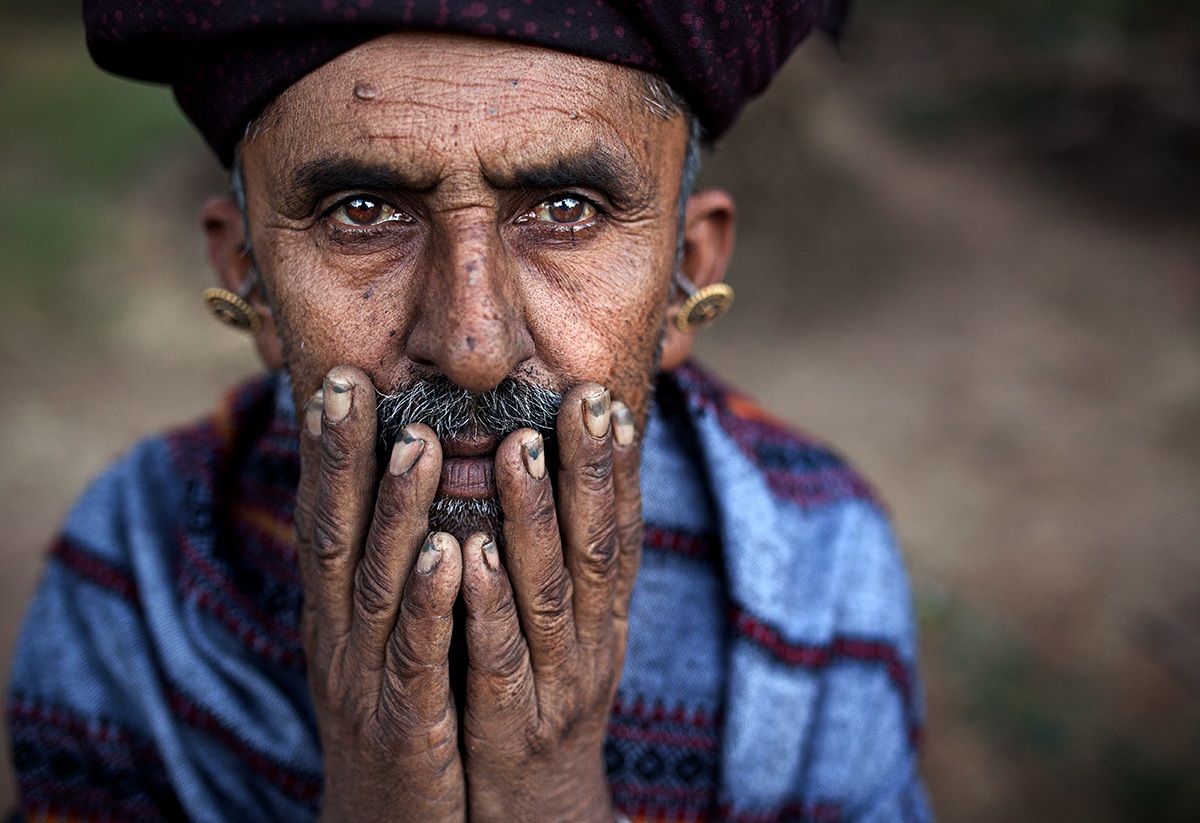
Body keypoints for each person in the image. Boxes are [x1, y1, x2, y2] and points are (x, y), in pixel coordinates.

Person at [7, 2, 931, 820]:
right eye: (363, 211)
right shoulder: (134, 566)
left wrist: (554, 793)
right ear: (249, 279)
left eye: (566, 206)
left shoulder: (815, 563)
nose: (474, 344)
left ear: (690, 267)